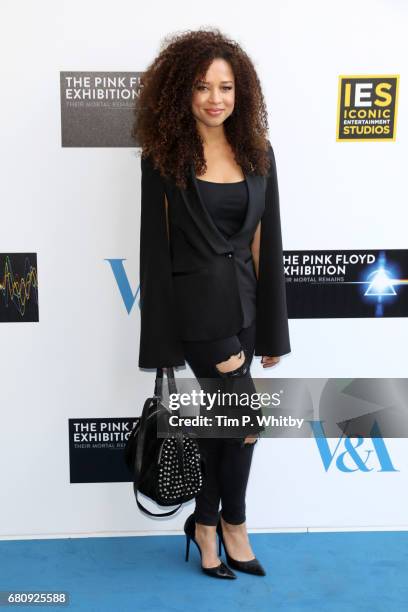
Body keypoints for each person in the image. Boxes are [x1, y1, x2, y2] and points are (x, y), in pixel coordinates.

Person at [133, 28, 291, 579]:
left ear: (240, 92)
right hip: (198, 312)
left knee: (226, 422)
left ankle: (205, 524)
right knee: (247, 420)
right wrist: (161, 340)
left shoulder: (258, 152)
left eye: (225, 87)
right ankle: (230, 524)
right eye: (202, 87)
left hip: (246, 310)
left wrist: (271, 332)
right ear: (183, 91)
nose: (215, 98)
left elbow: (263, 244)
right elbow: (155, 249)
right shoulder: (164, 156)